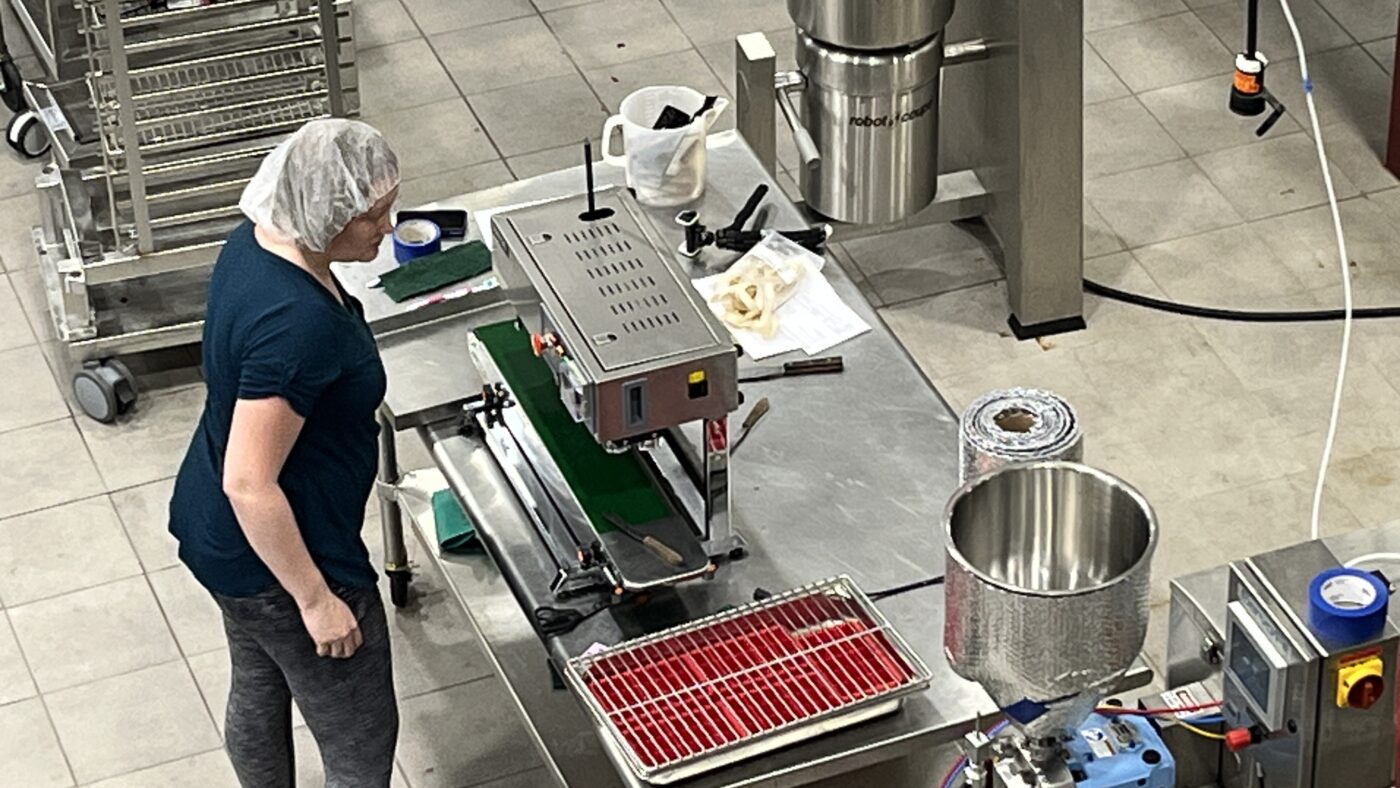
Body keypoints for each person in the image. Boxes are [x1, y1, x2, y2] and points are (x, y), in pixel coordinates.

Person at [169, 118, 401, 788]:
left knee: (261, 681)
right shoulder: (298, 324)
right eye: (373, 217)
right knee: (360, 741)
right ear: (326, 213)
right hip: (283, 555)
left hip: (214, 533)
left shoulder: (257, 243)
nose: (387, 229)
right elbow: (250, 482)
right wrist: (316, 598)